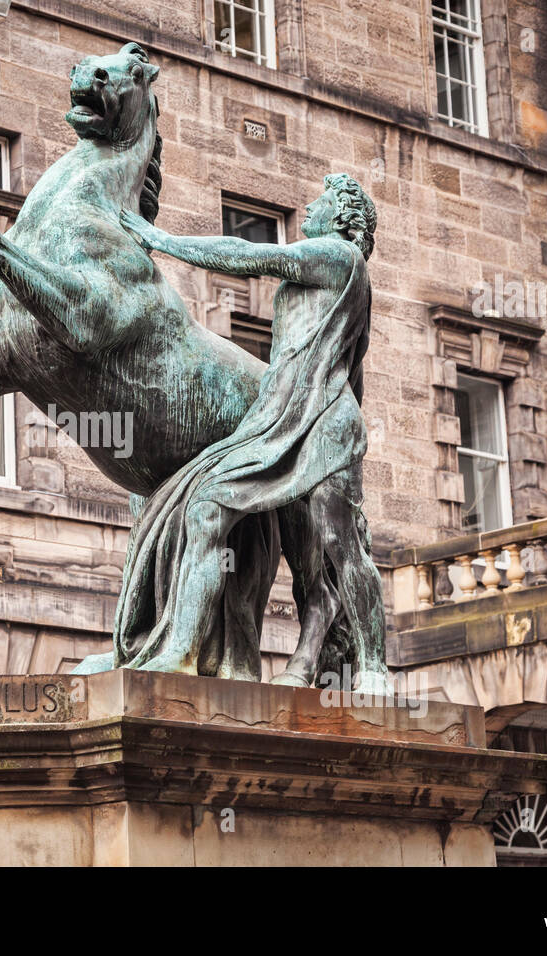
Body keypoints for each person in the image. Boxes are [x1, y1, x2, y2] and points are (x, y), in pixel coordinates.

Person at [113, 173, 388, 692]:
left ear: (343, 220)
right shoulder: (325, 276)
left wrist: (161, 241)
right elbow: (355, 367)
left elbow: (250, 255)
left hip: (324, 422)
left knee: (339, 543)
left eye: (321, 201)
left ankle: (372, 667)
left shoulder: (340, 257)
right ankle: (180, 651)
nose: (310, 204)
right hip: (281, 416)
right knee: (207, 507)